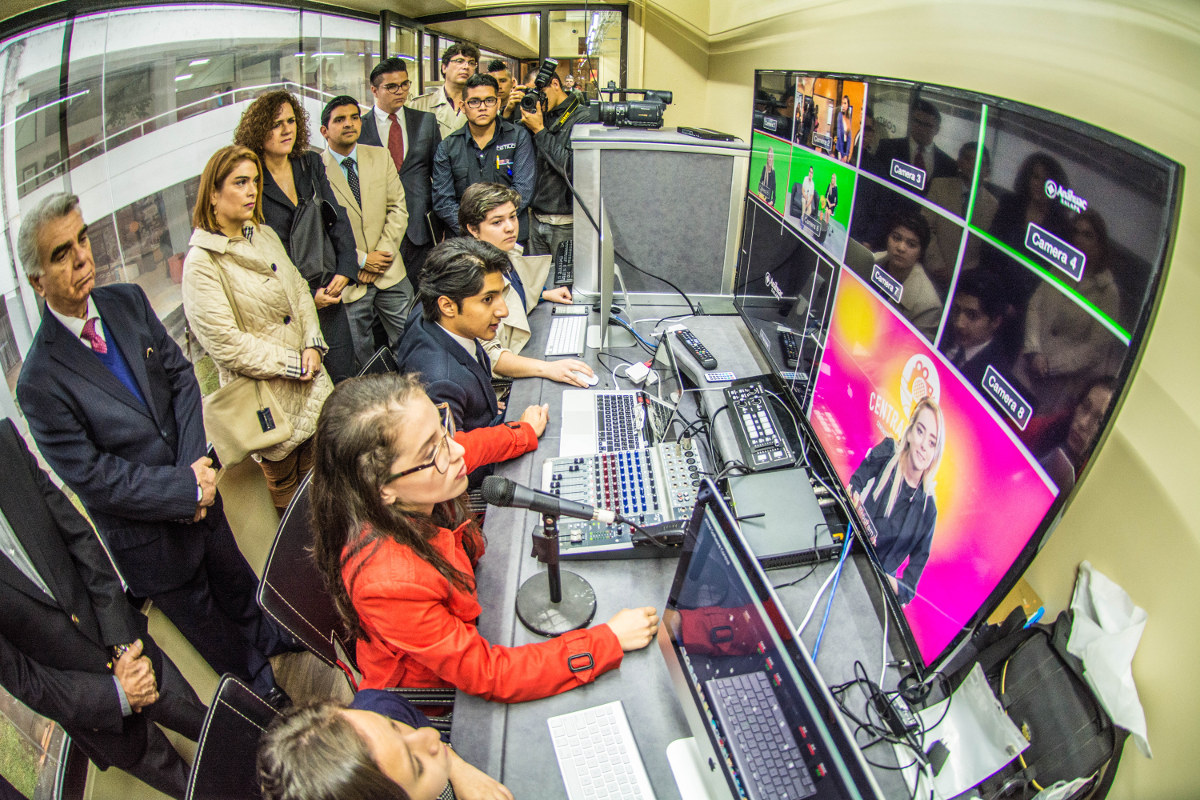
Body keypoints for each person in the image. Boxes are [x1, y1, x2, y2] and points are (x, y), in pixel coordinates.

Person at [15, 191, 296, 709]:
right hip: (153, 540)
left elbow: (182, 379)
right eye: (61, 253)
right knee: (209, 625)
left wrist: (200, 470)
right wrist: (183, 488)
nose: (81, 257)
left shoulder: (125, 300)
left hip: (202, 498)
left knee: (236, 579)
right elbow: (94, 478)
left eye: (82, 239)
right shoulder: (39, 381)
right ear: (37, 282)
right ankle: (259, 686)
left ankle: (272, 636)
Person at [309, 373, 659, 699]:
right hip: (439, 698)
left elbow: (469, 445)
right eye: (433, 451)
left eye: (442, 432)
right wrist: (606, 640)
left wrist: (523, 432)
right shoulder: (389, 583)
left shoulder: (421, 475)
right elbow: (489, 674)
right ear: (382, 488)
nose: (456, 451)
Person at [0, 418, 208, 799]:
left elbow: (79, 538)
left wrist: (122, 645)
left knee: (221, 733)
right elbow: (21, 677)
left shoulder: (4, 442)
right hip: (95, 714)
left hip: (131, 647)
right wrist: (115, 694)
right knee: (193, 789)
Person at [182, 145, 334, 515]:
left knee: (328, 487)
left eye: (254, 181)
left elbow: (298, 290)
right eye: (239, 182)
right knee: (294, 508)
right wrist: (294, 364)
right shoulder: (201, 264)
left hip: (310, 383)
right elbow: (228, 345)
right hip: (268, 401)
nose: (252, 191)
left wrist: (314, 344)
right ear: (213, 194)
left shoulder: (262, 233)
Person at [234, 89, 360, 381]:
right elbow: (258, 255)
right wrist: (303, 298)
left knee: (344, 378)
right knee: (309, 386)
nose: (286, 129)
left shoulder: (309, 163)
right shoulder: (253, 180)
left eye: (291, 121)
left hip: (328, 289)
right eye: (276, 124)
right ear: (258, 130)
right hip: (288, 304)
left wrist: (345, 269)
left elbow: (335, 216)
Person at [394, 238, 552, 445]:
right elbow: (453, 454)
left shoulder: (430, 316)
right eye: (488, 299)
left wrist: (485, 404)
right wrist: (521, 433)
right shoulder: (442, 381)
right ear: (448, 306)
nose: (503, 311)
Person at [458, 183, 594, 386]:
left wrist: (543, 294)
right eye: (497, 222)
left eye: (512, 217)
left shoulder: (503, 254)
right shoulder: (471, 280)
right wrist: (547, 368)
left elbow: (514, 292)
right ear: (473, 229)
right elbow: (491, 357)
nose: (510, 227)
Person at [259, 695, 512, 800]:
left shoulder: (375, 704)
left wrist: (458, 767)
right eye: (417, 766)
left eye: (394, 726)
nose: (430, 735)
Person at [320, 95, 413, 361]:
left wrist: (380, 258)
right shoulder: (317, 169)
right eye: (340, 120)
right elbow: (323, 228)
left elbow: (397, 209)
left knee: (412, 342)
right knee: (361, 356)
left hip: (389, 270)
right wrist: (361, 260)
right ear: (324, 131)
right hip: (350, 280)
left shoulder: (379, 156)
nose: (349, 124)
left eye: (354, 117)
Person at [1015, 209, 1123, 414]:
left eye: (1087, 235)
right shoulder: (1060, 267)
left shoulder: (1107, 292)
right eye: (1076, 232)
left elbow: (1094, 350)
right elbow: (1035, 307)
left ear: (1100, 244)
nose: (1079, 239)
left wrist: (1049, 365)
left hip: (1058, 386)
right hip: (1026, 365)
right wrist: (1034, 350)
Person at [849, 398, 944, 605]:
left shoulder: (929, 511)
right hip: (849, 549)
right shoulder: (888, 451)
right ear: (909, 433)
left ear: (935, 452)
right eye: (920, 431)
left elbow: (909, 588)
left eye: (932, 442)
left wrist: (879, 578)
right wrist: (856, 508)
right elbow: (854, 484)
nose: (923, 447)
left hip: (874, 591)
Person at [358, 58, 444, 284]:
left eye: (405, 84)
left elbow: (440, 174)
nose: (401, 91)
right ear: (374, 90)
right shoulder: (359, 127)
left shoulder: (426, 121)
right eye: (392, 87)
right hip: (378, 229)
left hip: (419, 228)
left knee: (422, 294)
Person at [431, 74, 535, 240]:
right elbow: (443, 201)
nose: (482, 107)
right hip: (465, 240)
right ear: (463, 106)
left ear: (498, 103)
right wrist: (475, 230)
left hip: (510, 239)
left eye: (489, 100)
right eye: (474, 101)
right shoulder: (448, 147)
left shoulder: (518, 137)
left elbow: (523, 190)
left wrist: (494, 226)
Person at [520, 63, 599, 257]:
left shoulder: (584, 117)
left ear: (555, 84)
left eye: (539, 93)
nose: (536, 100)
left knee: (563, 285)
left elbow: (573, 167)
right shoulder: (538, 115)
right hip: (535, 219)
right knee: (537, 284)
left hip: (567, 223)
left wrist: (539, 131)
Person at [923, 141, 999, 289]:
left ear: (988, 171)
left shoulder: (993, 205)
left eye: (980, 163)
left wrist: (963, 276)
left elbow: (985, 250)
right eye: (969, 159)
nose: (974, 166)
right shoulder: (939, 186)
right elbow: (925, 227)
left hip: (965, 283)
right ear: (959, 162)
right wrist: (937, 265)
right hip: (932, 274)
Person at [1024, 378, 1115, 493]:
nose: (1083, 423)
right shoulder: (1054, 427)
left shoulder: (1091, 485)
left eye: (1099, 421)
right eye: (1085, 407)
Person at [864, 211, 943, 340]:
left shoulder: (928, 305)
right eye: (896, 238)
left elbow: (910, 353)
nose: (901, 248)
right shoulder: (868, 261)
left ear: (921, 252)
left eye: (911, 244)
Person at [943, 269, 1016, 389]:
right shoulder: (942, 335)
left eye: (972, 315)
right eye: (957, 310)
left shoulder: (997, 374)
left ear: (995, 322)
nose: (959, 323)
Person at [874, 99, 957, 194]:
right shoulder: (888, 148)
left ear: (937, 129)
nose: (921, 128)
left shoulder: (948, 164)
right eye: (917, 122)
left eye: (927, 125)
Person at [409, 42, 479, 139]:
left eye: (471, 63)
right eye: (459, 61)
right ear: (444, 67)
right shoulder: (420, 104)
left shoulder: (483, 105)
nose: (466, 67)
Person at [835, 95, 853, 162]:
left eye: (845, 103)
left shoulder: (849, 118)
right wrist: (842, 155)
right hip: (840, 148)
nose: (843, 105)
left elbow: (849, 138)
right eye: (842, 103)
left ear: (848, 105)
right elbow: (839, 136)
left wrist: (846, 154)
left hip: (845, 148)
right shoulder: (840, 115)